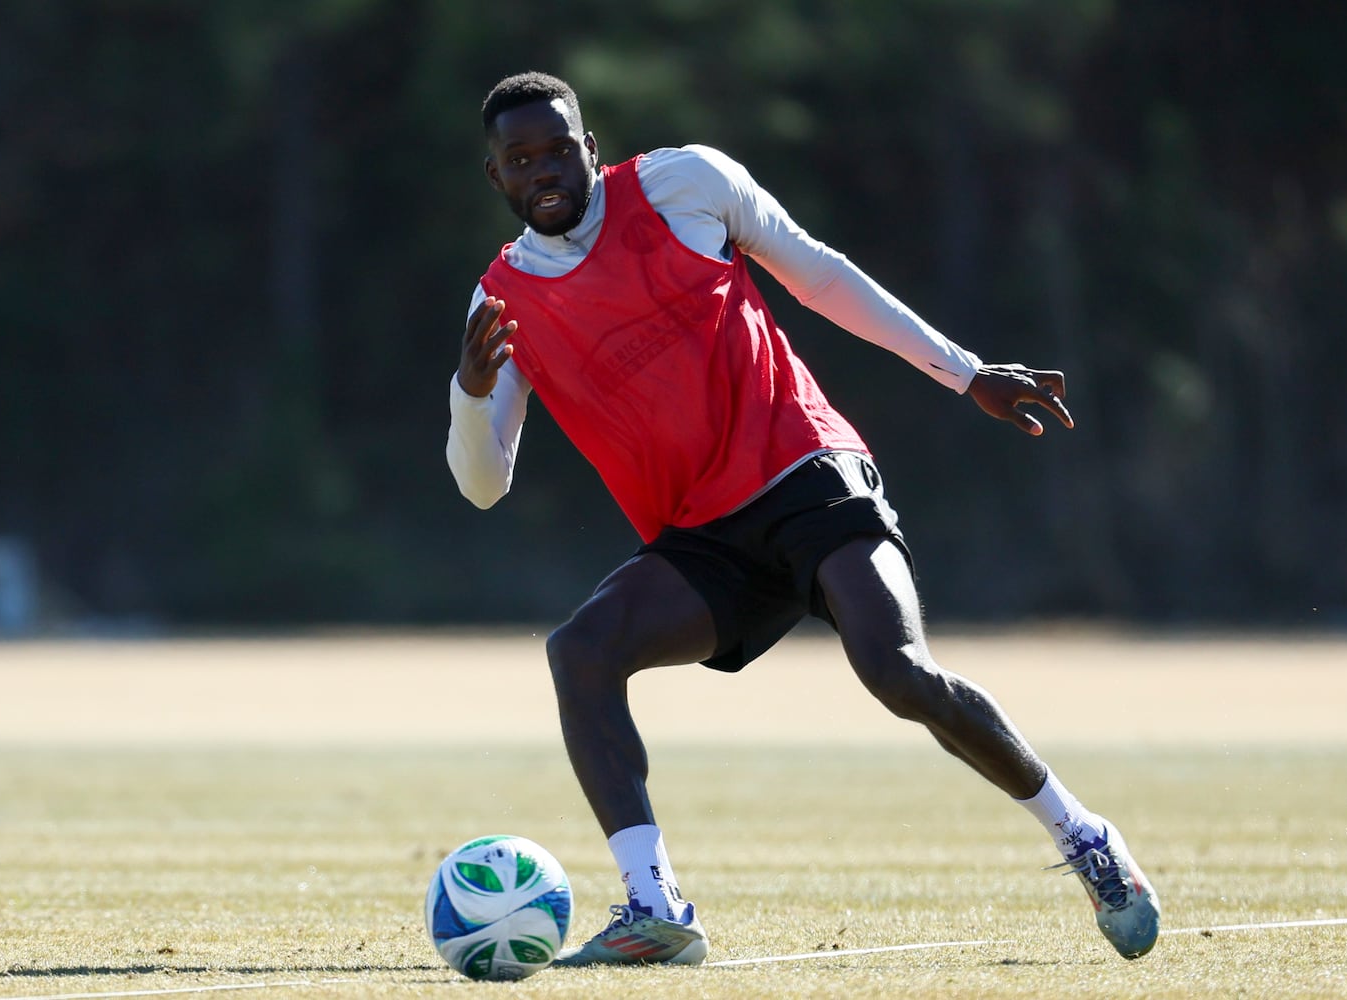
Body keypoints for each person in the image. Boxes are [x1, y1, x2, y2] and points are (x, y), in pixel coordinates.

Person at [446, 71, 1160, 966]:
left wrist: (966, 372)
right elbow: (482, 484)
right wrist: (471, 395)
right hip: (703, 542)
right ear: (496, 177)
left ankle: (1085, 837)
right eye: (521, 160)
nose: (543, 170)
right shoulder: (500, 305)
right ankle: (655, 907)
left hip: (804, 471)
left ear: (590, 149)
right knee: (579, 652)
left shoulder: (682, 185)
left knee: (896, 671)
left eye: (558, 150)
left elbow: (821, 275)